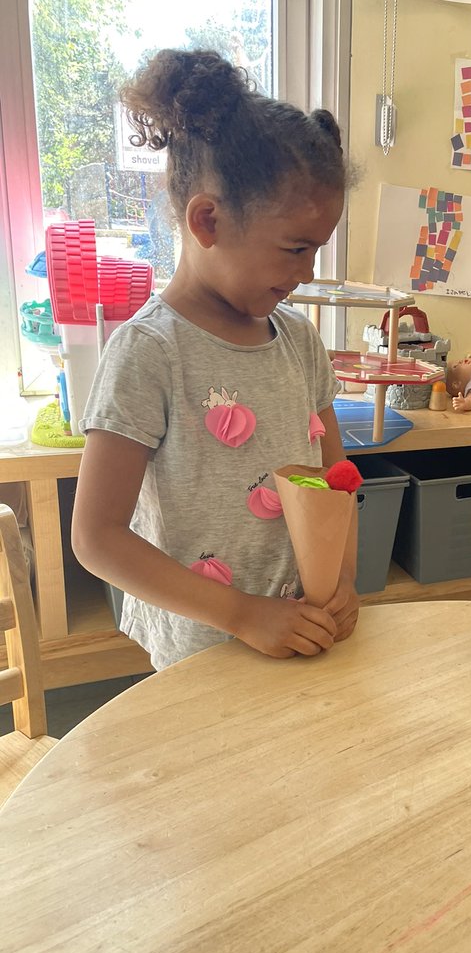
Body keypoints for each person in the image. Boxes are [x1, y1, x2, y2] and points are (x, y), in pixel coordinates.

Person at [72, 49, 358, 670]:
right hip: (202, 655)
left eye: (317, 250)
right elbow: (96, 538)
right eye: (293, 249)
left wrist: (342, 585)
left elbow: (337, 484)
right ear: (208, 220)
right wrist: (242, 614)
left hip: (306, 632)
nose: (306, 273)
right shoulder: (150, 352)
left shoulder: (300, 342)